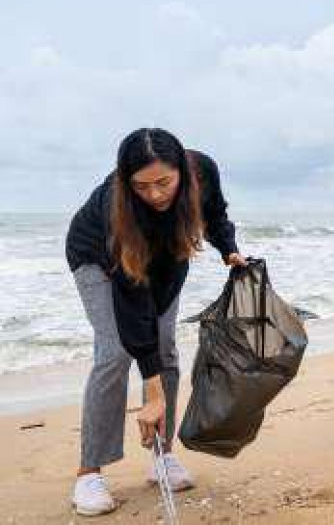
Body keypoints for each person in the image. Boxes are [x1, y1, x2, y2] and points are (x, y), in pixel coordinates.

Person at [65, 129, 245, 516]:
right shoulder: (119, 206)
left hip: (165, 263)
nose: (157, 194)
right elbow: (133, 296)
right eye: (142, 186)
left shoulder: (202, 172)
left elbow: (214, 214)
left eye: (164, 182)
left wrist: (228, 250)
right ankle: (88, 473)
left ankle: (162, 456)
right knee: (114, 352)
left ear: (183, 168)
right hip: (100, 260)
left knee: (166, 348)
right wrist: (151, 388)